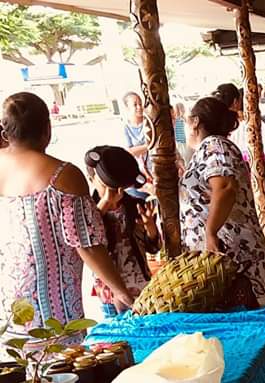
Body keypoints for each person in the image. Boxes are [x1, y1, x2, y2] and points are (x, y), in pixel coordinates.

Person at [0, 93, 133, 331]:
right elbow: (87, 245)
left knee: (23, 365)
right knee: (62, 363)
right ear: (47, 128)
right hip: (54, 308)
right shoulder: (63, 175)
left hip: (8, 307)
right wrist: (120, 291)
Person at [180, 96, 265, 297]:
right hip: (222, 252)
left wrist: (210, 233)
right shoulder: (208, 148)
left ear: (196, 121)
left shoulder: (214, 145)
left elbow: (224, 187)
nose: (184, 126)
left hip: (229, 251)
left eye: (186, 120)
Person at [84, 146, 159, 315]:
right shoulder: (89, 209)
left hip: (141, 287)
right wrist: (104, 203)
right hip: (109, 293)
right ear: (92, 179)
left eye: (120, 188)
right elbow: (85, 239)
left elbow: (153, 248)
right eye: (108, 186)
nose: (117, 193)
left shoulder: (134, 205)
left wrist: (151, 229)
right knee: (117, 339)